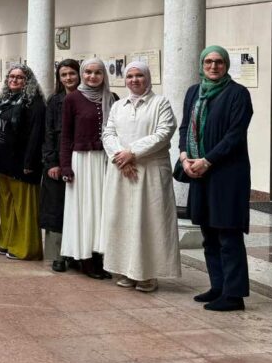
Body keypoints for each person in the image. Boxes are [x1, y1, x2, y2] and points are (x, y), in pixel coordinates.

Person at [178, 46, 253, 312]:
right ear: (202, 64)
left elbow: (235, 135)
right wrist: (184, 157)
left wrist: (207, 160)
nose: (213, 66)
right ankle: (218, 286)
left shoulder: (238, 94)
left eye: (219, 62)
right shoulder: (193, 92)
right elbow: (185, 128)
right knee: (208, 233)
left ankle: (234, 295)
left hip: (227, 174)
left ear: (226, 65)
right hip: (199, 172)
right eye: (208, 62)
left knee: (228, 233)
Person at [101, 61, 181, 292]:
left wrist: (132, 153)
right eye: (130, 76)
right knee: (123, 220)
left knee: (149, 221)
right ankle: (126, 270)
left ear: (148, 78)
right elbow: (108, 133)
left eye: (139, 76)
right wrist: (121, 157)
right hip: (122, 171)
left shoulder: (160, 103)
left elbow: (164, 133)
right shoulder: (118, 106)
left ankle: (147, 274)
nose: (134, 80)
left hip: (150, 172)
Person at [60, 58, 116, 279]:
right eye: (88, 72)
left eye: (98, 72)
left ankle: (100, 255)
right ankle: (85, 258)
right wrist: (65, 166)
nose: (93, 76)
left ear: (104, 75)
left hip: (105, 160)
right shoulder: (72, 99)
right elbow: (66, 136)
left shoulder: (112, 98)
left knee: (102, 209)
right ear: (82, 74)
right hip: (82, 161)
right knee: (84, 210)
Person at [0, 65, 45, 260]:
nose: (14, 80)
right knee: (7, 206)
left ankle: (25, 248)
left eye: (20, 77)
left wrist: (30, 162)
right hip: (4, 162)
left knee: (24, 208)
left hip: (23, 164)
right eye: (11, 76)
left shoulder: (35, 104)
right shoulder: (5, 100)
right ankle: (7, 242)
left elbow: (36, 136)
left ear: (28, 81)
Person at [41, 59, 81, 271]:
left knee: (79, 209)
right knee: (56, 210)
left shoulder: (88, 98)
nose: (68, 78)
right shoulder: (54, 100)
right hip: (56, 161)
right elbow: (48, 132)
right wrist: (51, 162)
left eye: (72, 73)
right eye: (63, 74)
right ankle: (58, 255)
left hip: (81, 160)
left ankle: (78, 254)